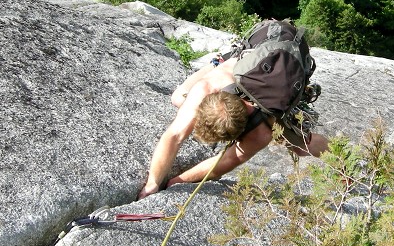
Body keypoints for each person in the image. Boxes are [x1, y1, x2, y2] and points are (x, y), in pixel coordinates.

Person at [138, 55, 328, 198]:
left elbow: (220, 166)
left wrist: (176, 182)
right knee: (178, 98)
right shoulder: (207, 87)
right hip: (252, 58)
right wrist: (152, 183)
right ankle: (216, 62)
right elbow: (174, 136)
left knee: (302, 147)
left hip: (285, 71)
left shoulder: (261, 132)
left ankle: (338, 155)